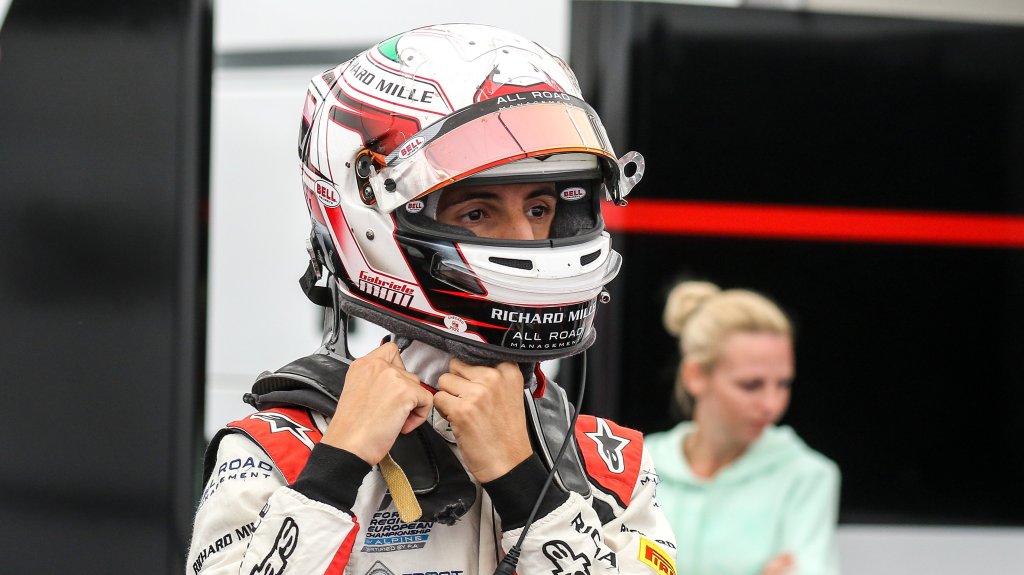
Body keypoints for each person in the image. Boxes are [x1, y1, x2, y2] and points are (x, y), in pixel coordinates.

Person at [186, 24, 676, 575]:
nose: (524, 238)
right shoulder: (280, 451)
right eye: (478, 212)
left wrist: (523, 482)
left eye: (539, 210)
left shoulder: (611, 463)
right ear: (372, 213)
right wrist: (337, 468)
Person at [646, 281, 840, 575]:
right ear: (695, 376)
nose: (771, 404)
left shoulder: (808, 476)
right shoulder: (636, 465)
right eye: (751, 385)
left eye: (783, 384)